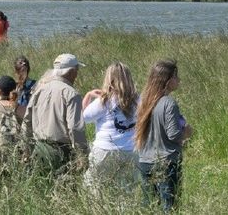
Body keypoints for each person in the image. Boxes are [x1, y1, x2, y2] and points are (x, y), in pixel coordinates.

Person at [135, 59, 193, 212]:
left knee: (150, 206)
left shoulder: (145, 100)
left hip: (145, 161)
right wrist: (187, 133)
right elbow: (174, 135)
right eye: (175, 76)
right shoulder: (169, 103)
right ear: (167, 80)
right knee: (170, 208)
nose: (179, 80)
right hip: (165, 162)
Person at [22, 53, 87, 176]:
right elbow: (75, 128)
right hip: (61, 153)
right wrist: (82, 156)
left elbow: (27, 122)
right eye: (77, 70)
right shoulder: (71, 94)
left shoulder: (39, 90)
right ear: (71, 72)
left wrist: (26, 150)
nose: (77, 75)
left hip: (38, 150)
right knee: (63, 187)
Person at [82, 62, 141, 195]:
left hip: (105, 150)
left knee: (94, 187)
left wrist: (88, 96)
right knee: (126, 192)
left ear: (109, 80)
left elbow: (83, 118)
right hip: (130, 150)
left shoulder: (104, 101)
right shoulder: (138, 100)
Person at [13, 56, 37, 120]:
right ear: (16, 71)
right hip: (16, 117)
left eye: (24, 70)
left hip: (30, 117)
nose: (22, 74)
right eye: (20, 71)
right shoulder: (13, 85)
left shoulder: (34, 84)